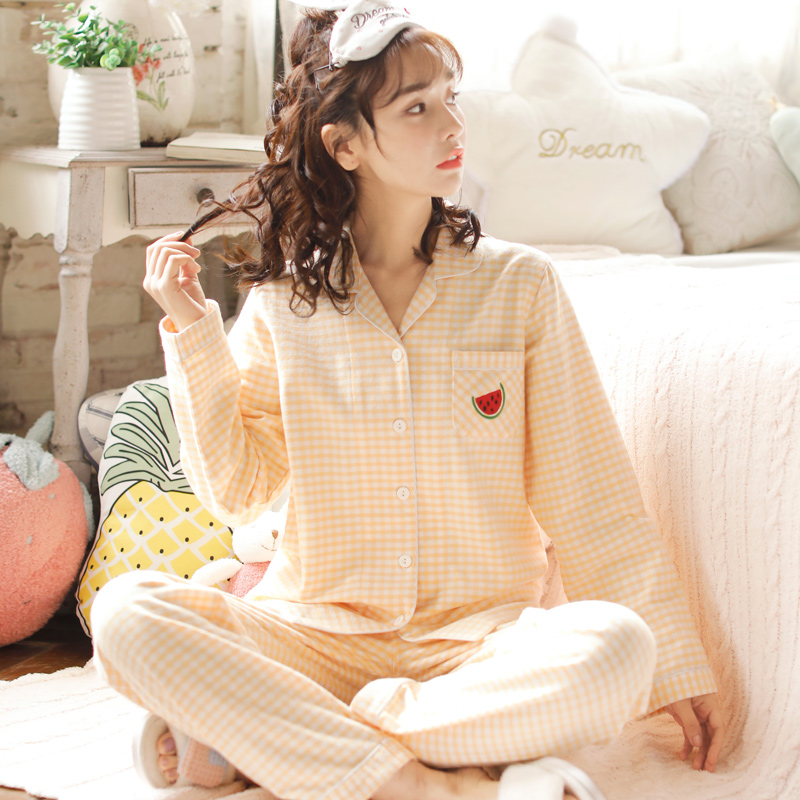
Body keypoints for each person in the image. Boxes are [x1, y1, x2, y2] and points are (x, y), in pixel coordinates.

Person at [90, 2, 726, 799]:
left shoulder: (519, 286)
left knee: (617, 650)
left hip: (476, 648)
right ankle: (426, 782)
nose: (453, 124)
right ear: (345, 145)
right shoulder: (287, 307)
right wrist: (192, 332)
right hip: (312, 633)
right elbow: (238, 491)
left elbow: (590, 495)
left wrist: (671, 663)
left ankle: (280, 735)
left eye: (450, 97)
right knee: (126, 614)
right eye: (417, 107)